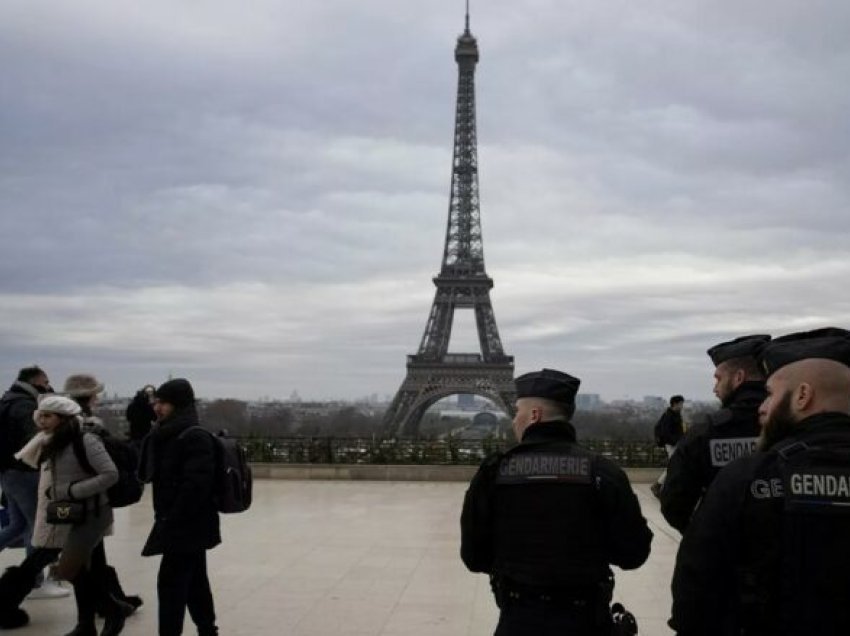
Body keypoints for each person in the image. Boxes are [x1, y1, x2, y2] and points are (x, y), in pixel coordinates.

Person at [670, 327, 850, 635]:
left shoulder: (747, 476)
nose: (762, 408)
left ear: (803, 396)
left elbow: (695, 593)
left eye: (770, 394)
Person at [461, 368, 652, 635]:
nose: (514, 420)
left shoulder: (495, 473)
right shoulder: (603, 473)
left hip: (519, 618)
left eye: (517, 412)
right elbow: (633, 554)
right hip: (585, 618)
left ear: (534, 415)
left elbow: (474, 557)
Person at [16, 395, 126, 636]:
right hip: (66, 512)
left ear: (64, 419)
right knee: (84, 570)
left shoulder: (85, 440)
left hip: (91, 514)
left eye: (48, 416)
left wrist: (72, 490)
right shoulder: (48, 441)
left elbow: (110, 474)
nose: (41, 421)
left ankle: (113, 609)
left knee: (67, 569)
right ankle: (86, 624)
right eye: (40, 415)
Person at [660, 335, 770, 532]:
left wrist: (703, 536)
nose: (715, 388)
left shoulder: (706, 432)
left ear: (738, 377)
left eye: (719, 379)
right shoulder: (792, 426)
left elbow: (674, 504)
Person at [139, 378, 220, 636]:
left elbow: (195, 486)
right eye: (157, 402)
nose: (157, 407)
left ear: (178, 405)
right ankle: (208, 630)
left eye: (163, 403)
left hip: (185, 523)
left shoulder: (193, 437)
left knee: (170, 585)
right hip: (180, 521)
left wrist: (171, 520)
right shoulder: (167, 433)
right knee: (195, 582)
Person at [63, 373, 143, 616]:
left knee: (88, 552)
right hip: (86, 497)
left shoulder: (62, 423)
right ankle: (107, 603)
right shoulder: (89, 426)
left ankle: (108, 601)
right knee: (86, 554)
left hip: (69, 497)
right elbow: (111, 468)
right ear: (92, 396)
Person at [0, 365, 69, 600]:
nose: (49, 386)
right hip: (24, 472)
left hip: (9, 472)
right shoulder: (25, 405)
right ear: (37, 381)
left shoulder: (9, 400)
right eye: (46, 381)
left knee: (16, 526)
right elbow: (38, 439)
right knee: (35, 527)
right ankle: (35, 582)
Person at [651, 394, 685, 497]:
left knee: (674, 466)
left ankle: (660, 486)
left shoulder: (675, 414)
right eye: (681, 404)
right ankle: (658, 485)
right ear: (675, 404)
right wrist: (676, 440)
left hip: (674, 443)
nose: (682, 406)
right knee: (673, 466)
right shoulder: (669, 415)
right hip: (671, 444)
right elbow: (667, 432)